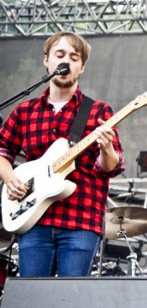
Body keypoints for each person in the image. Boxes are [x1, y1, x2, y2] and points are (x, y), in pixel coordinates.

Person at [0, 31, 125, 277]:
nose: (66, 60)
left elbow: (110, 167)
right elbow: (2, 151)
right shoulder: (25, 111)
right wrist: (9, 179)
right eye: (60, 54)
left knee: (70, 300)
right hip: (33, 220)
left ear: (82, 67)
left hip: (80, 221)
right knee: (34, 299)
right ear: (47, 61)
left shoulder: (98, 111)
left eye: (74, 57)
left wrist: (107, 148)